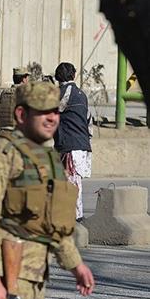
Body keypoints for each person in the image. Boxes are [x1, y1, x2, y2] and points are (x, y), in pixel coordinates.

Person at [0, 81, 94, 299]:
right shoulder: (0, 152)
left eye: (55, 111)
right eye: (43, 112)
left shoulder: (49, 158)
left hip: (33, 277)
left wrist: (75, 264)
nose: (52, 118)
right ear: (22, 114)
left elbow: (54, 223)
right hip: (1, 274)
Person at [53, 62, 92, 222]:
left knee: (71, 182)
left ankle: (76, 219)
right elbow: (89, 119)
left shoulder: (64, 92)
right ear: (73, 75)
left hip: (70, 145)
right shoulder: (82, 94)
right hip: (81, 144)